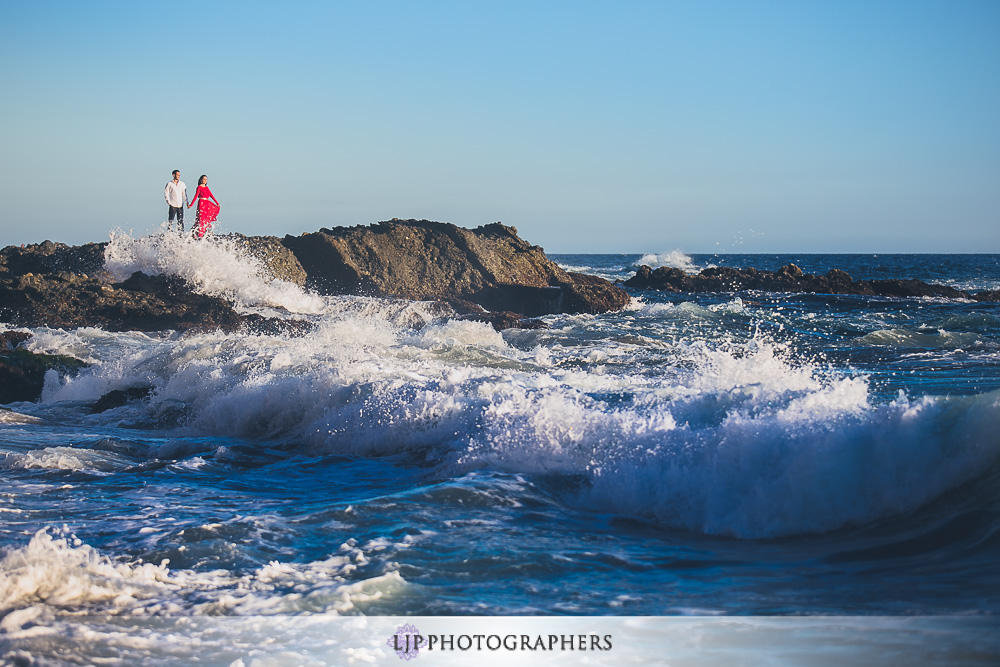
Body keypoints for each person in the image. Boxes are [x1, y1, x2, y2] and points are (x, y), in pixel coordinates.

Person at [187, 174, 220, 239]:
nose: (205, 180)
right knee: (200, 219)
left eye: (206, 179)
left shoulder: (207, 188)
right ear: (201, 180)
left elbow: (211, 195)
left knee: (206, 219)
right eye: (204, 179)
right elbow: (196, 196)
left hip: (207, 204)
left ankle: (202, 233)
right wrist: (191, 204)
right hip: (201, 204)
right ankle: (197, 234)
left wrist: (217, 203)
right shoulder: (199, 187)